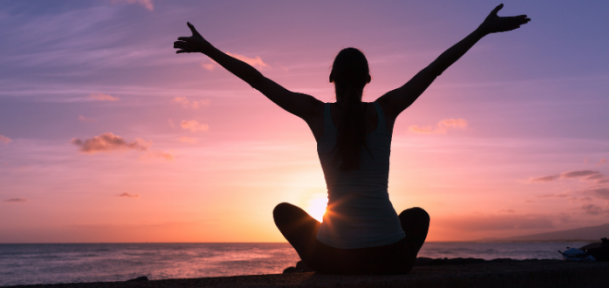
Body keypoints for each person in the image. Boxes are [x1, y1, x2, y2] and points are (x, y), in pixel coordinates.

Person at [174, 4, 530, 274]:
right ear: (367, 80)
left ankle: (313, 263)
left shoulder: (317, 113)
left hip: (332, 260)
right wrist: (482, 30)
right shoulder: (386, 109)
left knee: (284, 212)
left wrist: (207, 48)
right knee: (417, 216)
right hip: (391, 259)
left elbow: (258, 80)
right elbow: (436, 68)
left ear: (332, 77)